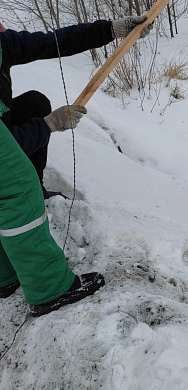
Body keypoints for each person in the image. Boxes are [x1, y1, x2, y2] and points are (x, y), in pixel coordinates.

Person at [0, 16, 152, 316]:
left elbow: (53, 41)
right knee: (17, 194)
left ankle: (4, 278)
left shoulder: (3, 44)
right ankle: (50, 289)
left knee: (32, 103)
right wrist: (47, 126)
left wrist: (109, 29)